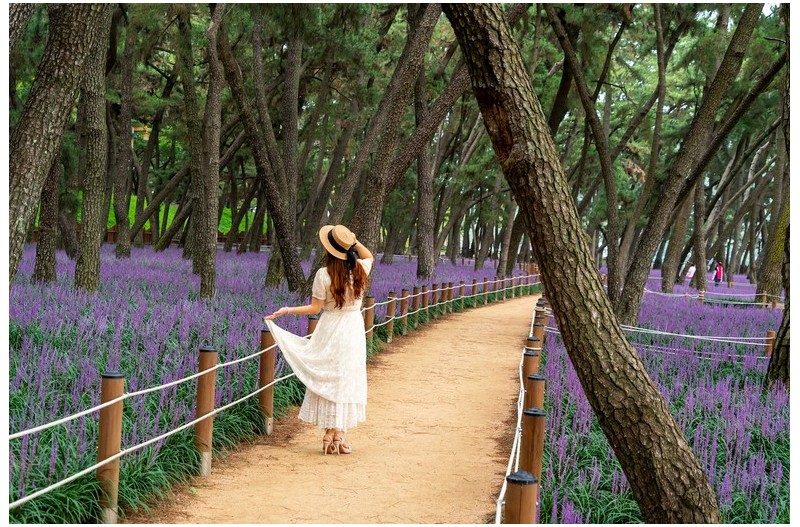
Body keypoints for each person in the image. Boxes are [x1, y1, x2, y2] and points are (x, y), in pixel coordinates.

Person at [264, 225, 374, 455]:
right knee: (346, 377)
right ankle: (339, 434)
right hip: (352, 329)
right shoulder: (361, 269)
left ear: (328, 250)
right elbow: (368, 255)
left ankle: (328, 433)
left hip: (330, 327)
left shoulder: (324, 275)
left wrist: (287, 310)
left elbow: (315, 307)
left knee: (329, 375)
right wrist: (352, 242)